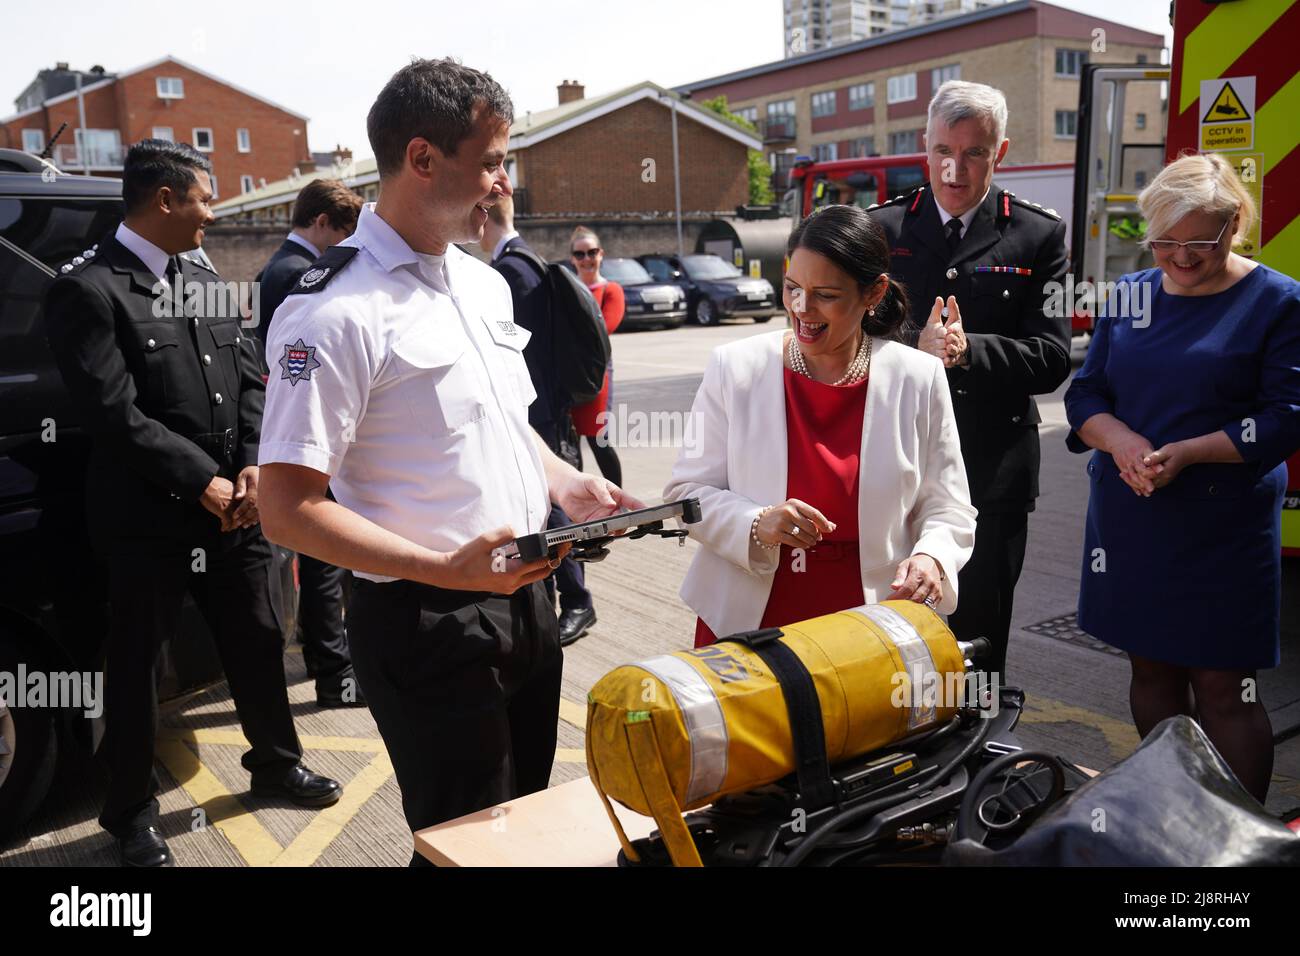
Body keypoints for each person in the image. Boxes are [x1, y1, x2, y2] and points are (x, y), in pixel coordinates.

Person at [256, 59, 640, 863]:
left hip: (523, 595)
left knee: (524, 830)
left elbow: (505, 424)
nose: (503, 184)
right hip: (426, 620)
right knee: (469, 844)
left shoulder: (481, 284)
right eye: (492, 161)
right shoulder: (331, 312)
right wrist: (445, 569)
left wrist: (565, 482)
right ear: (423, 159)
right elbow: (287, 508)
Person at [43, 139, 342, 868]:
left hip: (232, 509)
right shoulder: (87, 289)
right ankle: (130, 813)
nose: (215, 212)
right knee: (138, 665)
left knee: (258, 636)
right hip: (147, 518)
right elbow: (114, 415)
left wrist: (246, 468)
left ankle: (275, 763)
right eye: (206, 198)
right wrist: (198, 479)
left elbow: (248, 377)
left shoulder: (203, 271)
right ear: (166, 200)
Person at [1064, 153, 1300, 804]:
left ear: (1236, 225)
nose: (1181, 258)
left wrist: (1190, 452)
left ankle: (1238, 835)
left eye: (1200, 241)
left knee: (1226, 685)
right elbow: (1085, 396)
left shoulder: (1278, 302)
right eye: (1165, 241)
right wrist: (1127, 444)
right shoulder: (1130, 296)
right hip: (1134, 512)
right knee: (1152, 668)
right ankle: (1171, 812)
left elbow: (1286, 418)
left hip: (1223, 522)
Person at [664, 204, 977, 646]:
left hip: (872, 623)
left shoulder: (918, 377)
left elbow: (950, 506)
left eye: (826, 295)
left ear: (873, 293)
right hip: (749, 619)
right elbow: (686, 495)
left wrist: (931, 557)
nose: (802, 309)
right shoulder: (734, 367)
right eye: (792, 288)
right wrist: (755, 523)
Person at [869, 80, 1070, 677]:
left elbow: (1052, 356)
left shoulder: (1037, 234)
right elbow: (845, 340)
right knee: (893, 634)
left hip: (991, 474)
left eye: (974, 153)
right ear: (923, 148)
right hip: (894, 465)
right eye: (942, 151)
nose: (955, 170)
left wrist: (967, 350)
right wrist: (914, 346)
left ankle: (976, 757)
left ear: (1000, 152)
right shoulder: (881, 230)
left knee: (979, 641)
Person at [254, 178, 365, 707]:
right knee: (326, 560)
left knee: (315, 560)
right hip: (309, 429)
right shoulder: (302, 274)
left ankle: (322, 651)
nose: (343, 247)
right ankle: (334, 672)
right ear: (320, 222)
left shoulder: (275, 267)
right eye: (341, 233)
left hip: (286, 423)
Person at [481, 196, 597, 646]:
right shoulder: (523, 259)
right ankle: (559, 596)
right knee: (547, 507)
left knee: (547, 508)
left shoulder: (511, 270)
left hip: (536, 412)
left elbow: (518, 352)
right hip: (545, 407)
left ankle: (576, 601)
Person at [568, 226, 625, 487]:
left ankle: (619, 501)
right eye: (580, 254)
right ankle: (578, 504)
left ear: (601, 254)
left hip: (596, 375)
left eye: (592, 252)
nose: (586, 259)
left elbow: (606, 326)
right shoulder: (568, 289)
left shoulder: (610, 290)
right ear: (572, 259)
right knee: (569, 443)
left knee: (598, 439)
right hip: (568, 376)